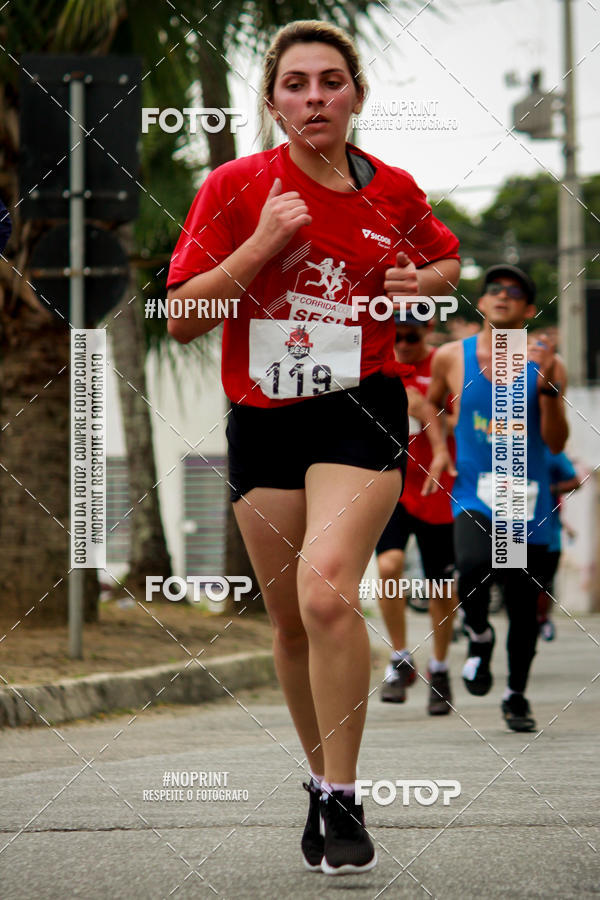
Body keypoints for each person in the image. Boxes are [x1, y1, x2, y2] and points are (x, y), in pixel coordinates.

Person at [167, 21, 459, 874]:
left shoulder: (394, 189)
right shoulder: (233, 185)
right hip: (262, 416)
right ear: (273, 102)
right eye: (296, 84)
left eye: (332, 81)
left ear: (357, 96)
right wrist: (262, 244)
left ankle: (343, 792)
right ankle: (318, 780)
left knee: (328, 594)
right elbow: (183, 315)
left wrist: (419, 280)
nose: (315, 98)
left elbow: (445, 262)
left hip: (356, 410)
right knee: (290, 621)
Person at [429, 264, 569, 733]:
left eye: (514, 291)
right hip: (473, 492)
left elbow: (556, 442)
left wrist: (548, 386)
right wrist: (437, 450)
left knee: (521, 602)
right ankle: (479, 636)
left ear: (528, 310)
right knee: (469, 566)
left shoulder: (547, 364)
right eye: (493, 289)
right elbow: (431, 401)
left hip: (522, 500)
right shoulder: (451, 357)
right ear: (482, 303)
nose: (501, 295)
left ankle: (516, 696)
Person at [376, 309, 458, 715]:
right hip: (392, 484)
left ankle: (439, 668)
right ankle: (400, 657)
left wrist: (428, 412)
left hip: (437, 488)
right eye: (397, 335)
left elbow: (468, 420)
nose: (404, 343)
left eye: (411, 335)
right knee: (388, 567)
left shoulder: (444, 362)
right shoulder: (378, 362)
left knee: (441, 586)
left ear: (427, 329)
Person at [537, 447, 580, 641]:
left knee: (543, 583)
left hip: (548, 537)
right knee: (515, 585)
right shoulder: (505, 447)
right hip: (514, 534)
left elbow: (576, 481)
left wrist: (550, 489)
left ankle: (542, 618)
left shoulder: (550, 450)